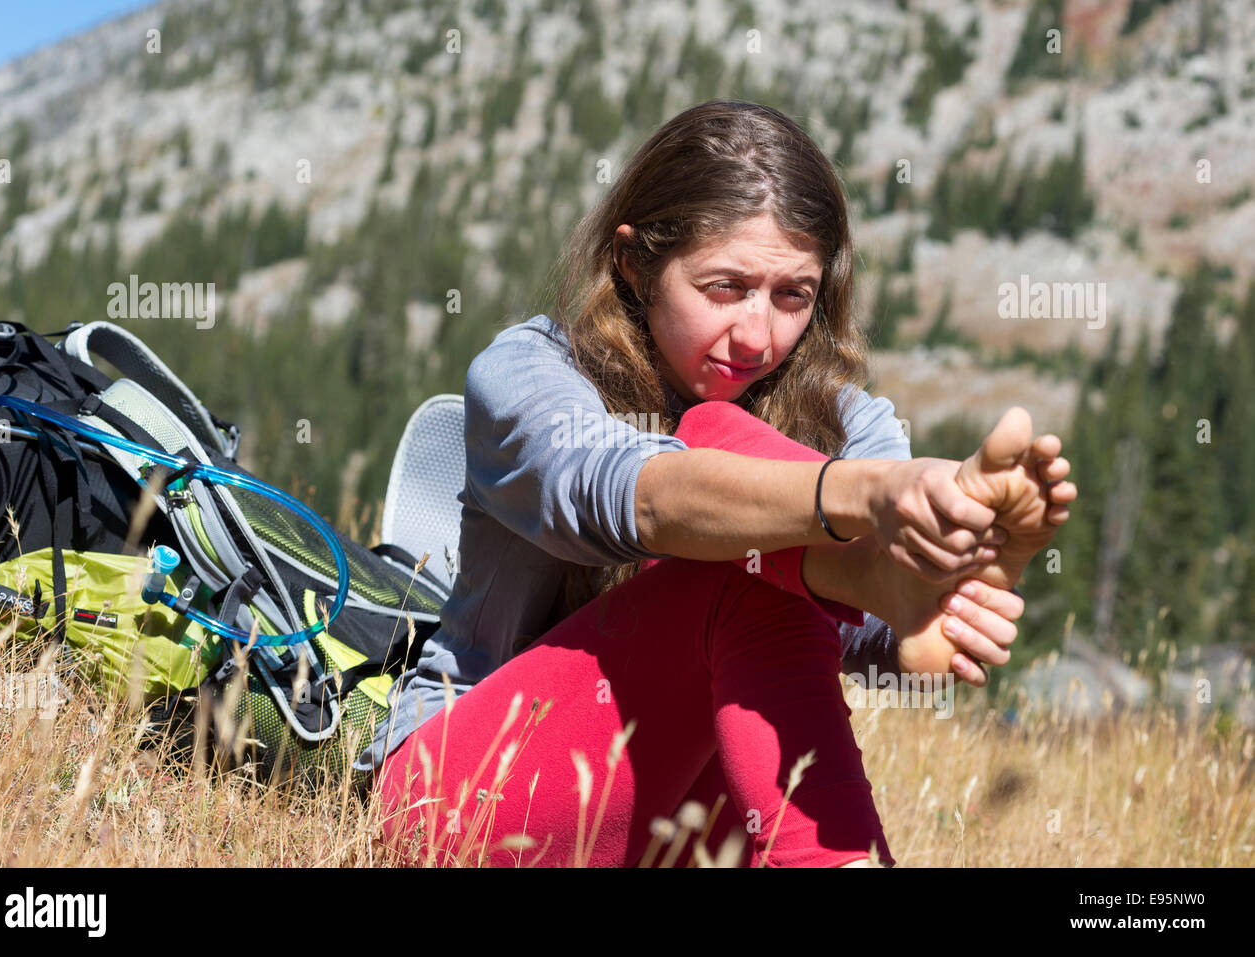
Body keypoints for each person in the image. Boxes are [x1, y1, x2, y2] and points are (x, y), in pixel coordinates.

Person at [362, 100, 1077, 867]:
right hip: (464, 798)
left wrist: (923, 622)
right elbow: (631, 492)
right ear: (633, 264)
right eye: (725, 287)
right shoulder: (530, 372)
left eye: (793, 295)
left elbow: (834, 647)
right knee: (731, 518)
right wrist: (858, 498)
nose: (759, 334)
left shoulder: (851, 427)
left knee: (768, 559)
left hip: (679, 826)